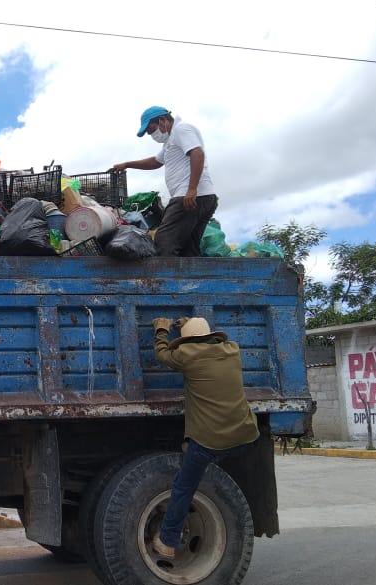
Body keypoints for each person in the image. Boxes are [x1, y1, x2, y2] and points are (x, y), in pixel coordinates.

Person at [150, 316, 259, 560]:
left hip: (210, 441)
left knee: (183, 486)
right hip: (245, 434)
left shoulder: (188, 355)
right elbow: (205, 342)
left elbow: (162, 354)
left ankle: (168, 540)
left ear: (188, 341)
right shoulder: (232, 351)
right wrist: (191, 325)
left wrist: (161, 330)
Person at [111, 106, 218, 257]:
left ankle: (164, 280)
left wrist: (192, 189)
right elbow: (155, 162)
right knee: (188, 248)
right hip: (202, 196)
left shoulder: (182, 129)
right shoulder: (170, 140)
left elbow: (197, 153)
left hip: (189, 196)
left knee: (164, 241)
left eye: (151, 130)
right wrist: (127, 164)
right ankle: (189, 280)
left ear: (162, 120)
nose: (151, 135)